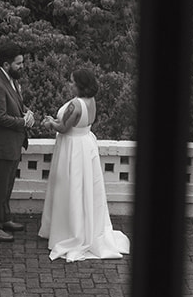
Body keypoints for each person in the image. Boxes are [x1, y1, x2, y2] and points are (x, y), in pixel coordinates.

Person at [39, 66, 130, 261]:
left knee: (69, 188)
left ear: (80, 84)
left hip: (72, 148)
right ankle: (84, 227)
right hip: (86, 145)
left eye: (72, 81)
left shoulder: (75, 104)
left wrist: (49, 123)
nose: (69, 84)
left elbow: (63, 128)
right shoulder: (91, 101)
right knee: (85, 190)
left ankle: (68, 231)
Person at [0, 39, 34, 242]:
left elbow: (15, 106)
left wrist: (27, 113)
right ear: (6, 64)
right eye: (18, 63)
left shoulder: (11, 80)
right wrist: (23, 122)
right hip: (1, 145)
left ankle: (4, 219)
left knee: (8, 185)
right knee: (0, 186)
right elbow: (0, 117)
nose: (22, 67)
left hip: (12, 144)